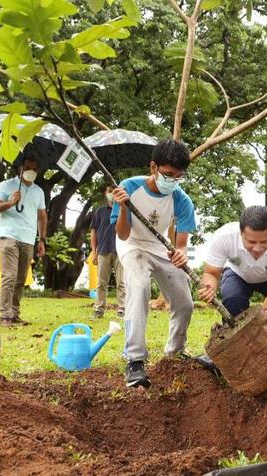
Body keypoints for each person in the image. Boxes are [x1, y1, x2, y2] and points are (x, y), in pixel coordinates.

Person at [110, 139, 196, 388]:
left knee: (185, 302)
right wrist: (124, 207)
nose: (172, 180)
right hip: (132, 244)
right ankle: (135, 360)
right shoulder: (129, 187)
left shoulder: (181, 200)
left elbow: (180, 244)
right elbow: (123, 234)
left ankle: (175, 352)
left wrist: (180, 253)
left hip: (160, 247)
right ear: (153, 167)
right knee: (138, 288)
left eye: (178, 177)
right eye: (168, 174)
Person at [198, 205, 267, 374]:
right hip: (238, 274)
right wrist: (209, 288)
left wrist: (259, 317)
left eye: (264, 242)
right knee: (232, 300)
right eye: (251, 242)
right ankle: (235, 358)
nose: (257, 248)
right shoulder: (224, 237)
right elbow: (211, 273)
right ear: (241, 233)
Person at [0, 157, 46, 327]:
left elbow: (42, 217)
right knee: (9, 276)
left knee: (21, 279)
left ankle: (14, 314)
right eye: (28, 167)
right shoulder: (5, 185)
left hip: (28, 239)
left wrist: (41, 239)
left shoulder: (38, 191)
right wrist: (10, 202)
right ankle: (5, 316)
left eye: (34, 169)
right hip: (8, 235)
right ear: (19, 168)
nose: (31, 171)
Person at [90, 184, 125, 319]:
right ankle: (99, 309)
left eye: (114, 191)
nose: (112, 194)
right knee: (101, 283)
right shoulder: (99, 212)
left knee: (121, 282)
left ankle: (122, 309)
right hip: (103, 250)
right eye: (109, 191)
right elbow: (93, 232)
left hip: (121, 251)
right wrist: (94, 251)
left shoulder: (123, 210)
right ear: (106, 193)